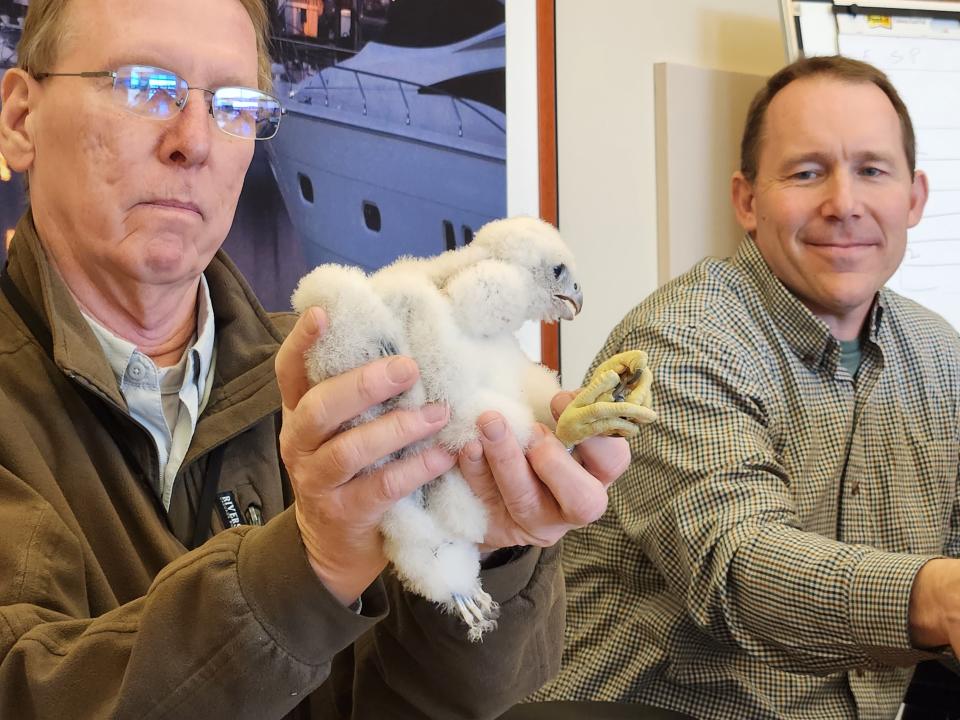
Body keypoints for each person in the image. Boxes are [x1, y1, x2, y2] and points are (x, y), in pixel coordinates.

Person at [0, 1, 636, 717]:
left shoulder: (333, 380)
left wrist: (484, 554)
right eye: (145, 87)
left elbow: (422, 703)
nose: (195, 140)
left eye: (234, 105)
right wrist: (305, 569)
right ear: (21, 118)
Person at [530, 55, 960, 719]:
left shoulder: (940, 354)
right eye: (807, 172)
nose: (843, 204)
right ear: (748, 201)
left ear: (914, 199)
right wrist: (933, 596)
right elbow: (741, 572)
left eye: (872, 170)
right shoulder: (680, 341)